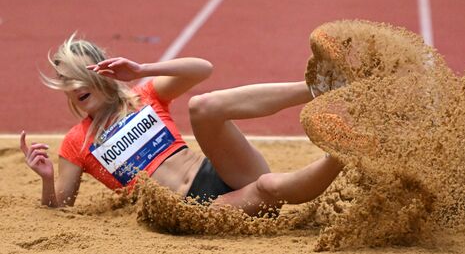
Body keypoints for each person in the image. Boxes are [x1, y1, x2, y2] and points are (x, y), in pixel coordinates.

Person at [20, 34, 343, 215]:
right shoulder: (76, 142)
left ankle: (317, 87)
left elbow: (202, 69)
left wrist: (142, 69)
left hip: (219, 172)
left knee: (203, 105)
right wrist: (47, 180)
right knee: (270, 187)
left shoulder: (142, 95)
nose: (75, 87)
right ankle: (343, 151)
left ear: (99, 72)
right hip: (195, 207)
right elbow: (60, 206)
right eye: (66, 81)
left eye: (79, 76)